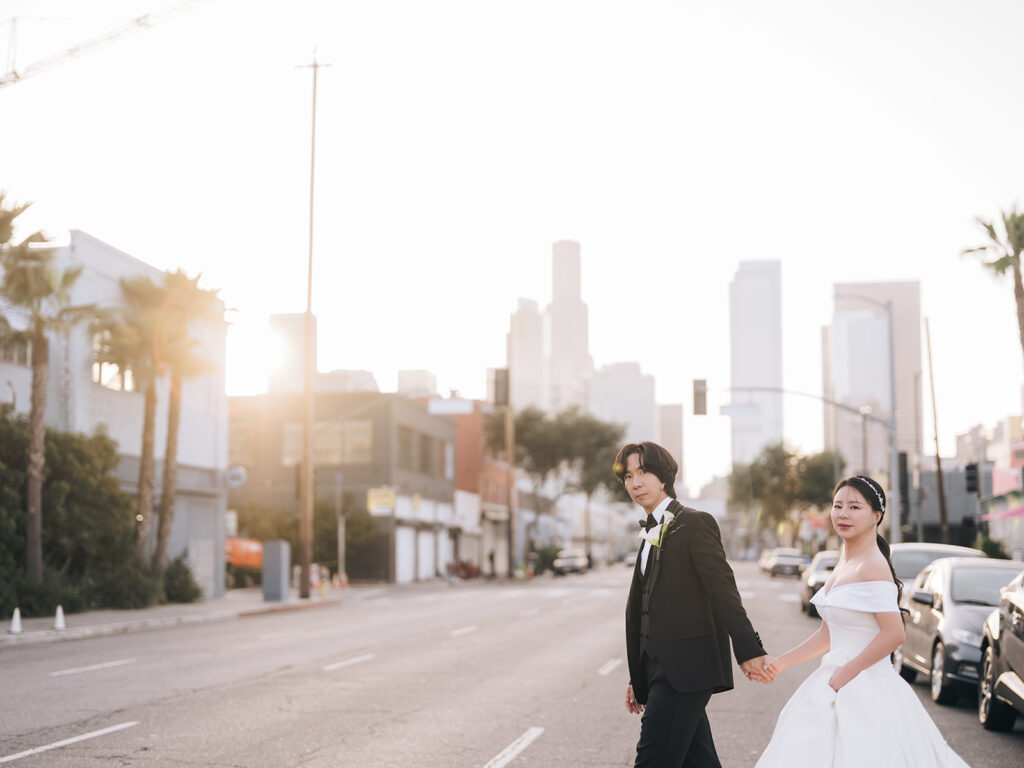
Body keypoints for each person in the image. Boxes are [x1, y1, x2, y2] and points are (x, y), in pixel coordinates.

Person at [755, 475, 969, 767]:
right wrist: (782, 663)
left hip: (864, 685)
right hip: (834, 679)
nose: (843, 514)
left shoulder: (873, 564)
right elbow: (827, 635)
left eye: (855, 507)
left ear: (876, 516)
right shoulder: (843, 563)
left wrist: (847, 673)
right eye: (837, 505)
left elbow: (894, 634)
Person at [617, 441, 770, 768]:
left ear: (664, 477)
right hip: (663, 670)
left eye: (643, 472)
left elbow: (723, 591)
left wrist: (749, 650)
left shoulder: (695, 523)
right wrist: (639, 674)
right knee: (699, 761)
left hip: (684, 669)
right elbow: (647, 610)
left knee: (652, 760)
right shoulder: (649, 532)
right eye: (628, 476)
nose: (635, 483)